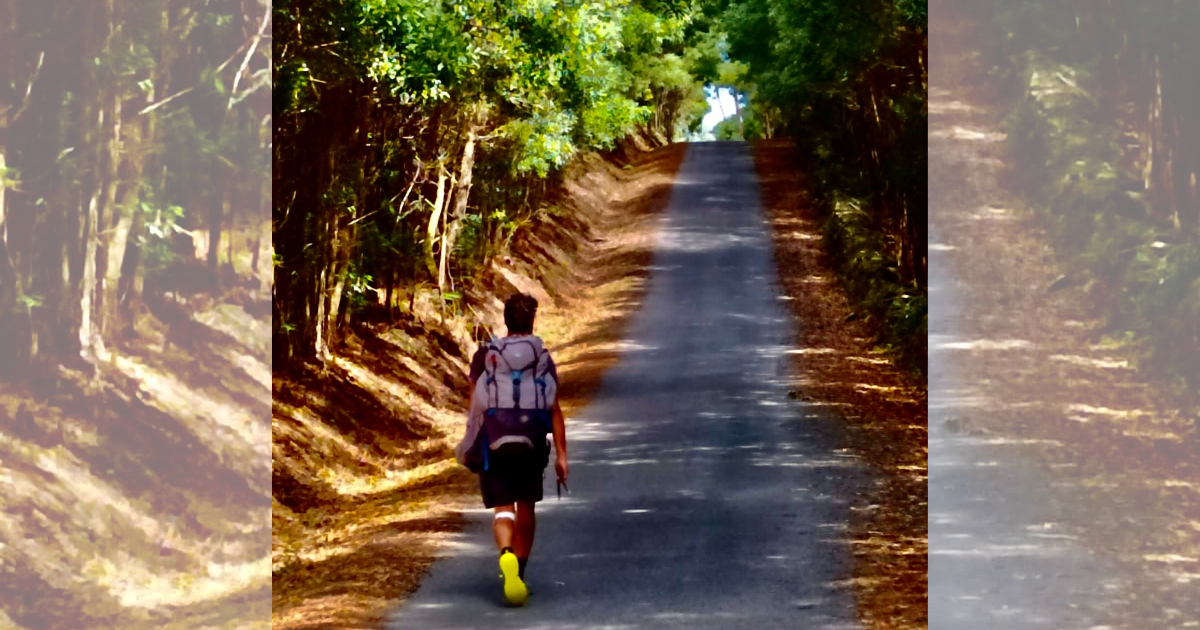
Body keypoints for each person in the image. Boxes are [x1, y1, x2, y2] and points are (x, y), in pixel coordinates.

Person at [457, 292, 568, 606]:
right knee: (527, 509)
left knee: (504, 508)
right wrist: (561, 454)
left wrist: (470, 444)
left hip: (496, 441)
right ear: (532, 321)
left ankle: (505, 553)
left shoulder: (484, 356)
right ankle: (518, 570)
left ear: (505, 321)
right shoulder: (542, 357)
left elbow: (474, 406)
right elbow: (555, 409)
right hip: (531, 442)